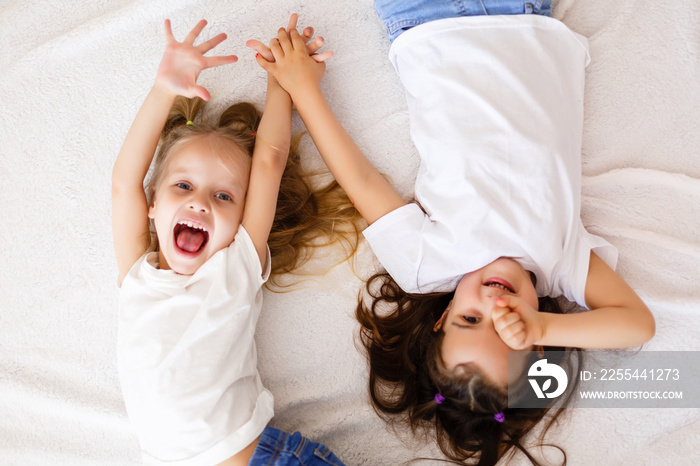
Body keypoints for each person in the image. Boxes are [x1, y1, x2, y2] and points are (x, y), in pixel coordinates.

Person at [251, 2, 655, 465]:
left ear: (442, 318)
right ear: (538, 347)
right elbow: (636, 325)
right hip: (523, 13)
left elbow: (362, 181)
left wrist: (305, 91)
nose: (495, 307)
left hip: (429, 20)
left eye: (470, 320)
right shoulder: (559, 265)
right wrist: (543, 323)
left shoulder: (425, 268)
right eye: (511, 333)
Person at [112, 15, 353, 465]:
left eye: (223, 196)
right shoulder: (137, 275)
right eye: (182, 187)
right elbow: (124, 182)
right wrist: (164, 88)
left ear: (243, 218)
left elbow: (269, 162)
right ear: (152, 204)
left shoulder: (236, 262)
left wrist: (280, 83)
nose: (200, 203)